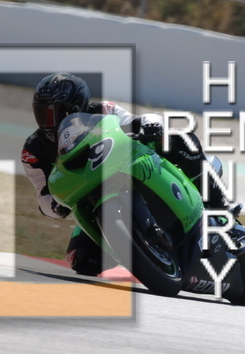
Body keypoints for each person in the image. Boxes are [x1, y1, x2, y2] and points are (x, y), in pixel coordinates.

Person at [21, 72, 229, 276]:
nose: (47, 121)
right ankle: (152, 256)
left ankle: (221, 206)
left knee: (179, 140)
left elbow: (136, 120)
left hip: (130, 167)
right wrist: (54, 206)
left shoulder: (103, 110)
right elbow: (43, 195)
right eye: (41, 113)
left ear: (74, 106)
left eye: (52, 113)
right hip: (89, 197)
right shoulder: (33, 150)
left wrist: (150, 124)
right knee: (81, 259)